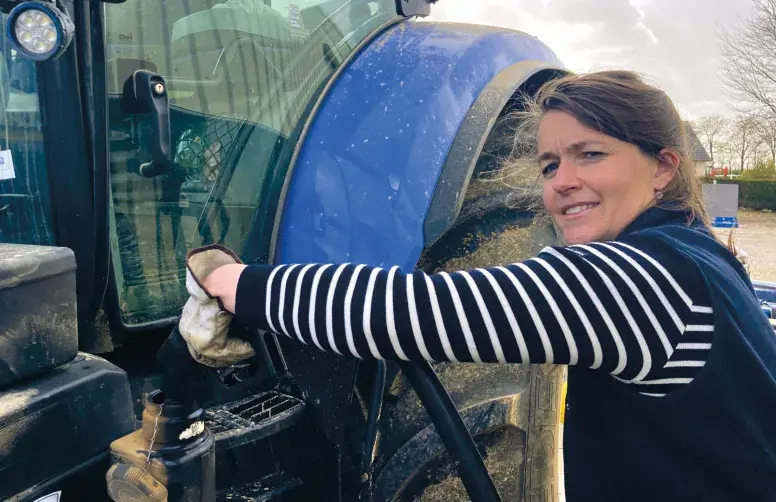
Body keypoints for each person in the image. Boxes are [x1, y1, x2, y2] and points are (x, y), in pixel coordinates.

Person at [178, 70, 776, 501]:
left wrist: (234, 281)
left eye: (590, 154)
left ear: (664, 166)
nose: (562, 182)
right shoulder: (697, 256)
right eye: (549, 165)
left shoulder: (642, 277)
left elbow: (420, 313)